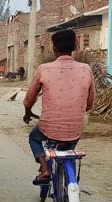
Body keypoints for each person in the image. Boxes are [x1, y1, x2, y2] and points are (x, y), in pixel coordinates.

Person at [23, 29, 95, 184]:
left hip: (48, 128)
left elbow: (29, 98)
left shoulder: (44, 69)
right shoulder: (86, 69)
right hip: (75, 128)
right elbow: (90, 101)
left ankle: (44, 169)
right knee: (69, 151)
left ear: (54, 48)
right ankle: (71, 187)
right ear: (75, 47)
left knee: (34, 139)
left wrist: (27, 112)